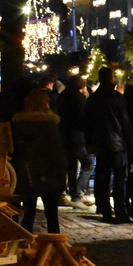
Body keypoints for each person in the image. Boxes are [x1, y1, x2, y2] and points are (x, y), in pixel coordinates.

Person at [11, 89, 67, 233]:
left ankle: (25, 242)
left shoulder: (19, 125)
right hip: (47, 174)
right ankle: (54, 245)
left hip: (26, 174)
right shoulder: (50, 125)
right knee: (51, 215)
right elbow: (57, 153)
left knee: (28, 214)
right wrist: (60, 177)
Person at [84, 68, 133, 223]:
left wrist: (90, 143)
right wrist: (131, 144)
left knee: (102, 177)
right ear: (112, 78)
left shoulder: (92, 99)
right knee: (120, 179)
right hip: (118, 145)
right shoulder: (117, 98)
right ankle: (121, 210)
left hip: (101, 144)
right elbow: (125, 123)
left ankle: (104, 209)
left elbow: (88, 123)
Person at [57, 76, 93, 207]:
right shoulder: (80, 99)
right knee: (88, 163)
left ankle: (74, 192)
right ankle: (77, 193)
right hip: (78, 135)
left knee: (72, 165)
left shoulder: (62, 97)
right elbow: (84, 119)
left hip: (65, 134)